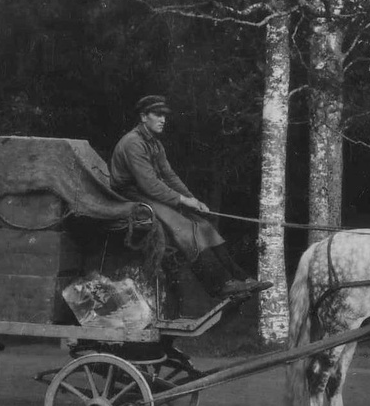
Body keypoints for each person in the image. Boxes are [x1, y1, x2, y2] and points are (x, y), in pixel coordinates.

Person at [109, 95, 269, 298]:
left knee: (204, 226)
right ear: (143, 116)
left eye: (164, 115)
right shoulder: (133, 143)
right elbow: (149, 185)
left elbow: (170, 177)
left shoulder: (155, 144)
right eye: (157, 115)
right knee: (184, 228)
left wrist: (194, 201)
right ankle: (220, 285)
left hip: (148, 193)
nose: (163, 120)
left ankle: (242, 278)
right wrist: (183, 200)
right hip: (131, 196)